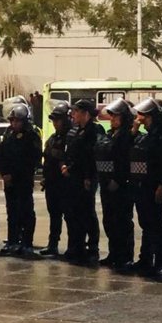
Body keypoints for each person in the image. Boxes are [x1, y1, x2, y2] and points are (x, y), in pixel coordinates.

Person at [128, 97, 162, 277]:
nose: (142, 120)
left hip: (154, 186)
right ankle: (146, 259)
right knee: (146, 223)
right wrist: (134, 130)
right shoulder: (147, 135)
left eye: (146, 117)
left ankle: (161, 261)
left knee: (157, 224)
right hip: (142, 186)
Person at [94, 98, 135, 269]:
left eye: (115, 117)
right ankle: (114, 253)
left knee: (122, 221)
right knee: (109, 221)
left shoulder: (128, 136)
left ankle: (125, 256)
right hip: (105, 183)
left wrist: (117, 179)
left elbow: (125, 161)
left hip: (120, 186)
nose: (112, 120)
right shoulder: (110, 135)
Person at [0, 103, 42, 257]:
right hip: (9, 181)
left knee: (26, 212)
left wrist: (14, 174)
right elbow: (2, 155)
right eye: (12, 121)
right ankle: (12, 241)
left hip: (23, 180)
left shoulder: (32, 136)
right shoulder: (9, 135)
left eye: (17, 121)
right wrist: (4, 173)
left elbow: (32, 160)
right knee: (12, 212)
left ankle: (27, 243)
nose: (14, 123)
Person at [63, 99, 100, 265]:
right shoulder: (76, 130)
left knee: (88, 214)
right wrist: (65, 166)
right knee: (74, 214)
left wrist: (88, 177)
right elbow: (71, 153)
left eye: (77, 111)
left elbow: (91, 157)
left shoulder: (94, 131)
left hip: (86, 178)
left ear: (86, 114)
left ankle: (92, 249)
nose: (73, 114)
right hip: (73, 178)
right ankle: (76, 247)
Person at [39, 101, 72, 257]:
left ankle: (74, 246)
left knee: (70, 216)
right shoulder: (52, 138)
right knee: (54, 215)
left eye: (58, 120)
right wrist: (45, 177)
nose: (55, 123)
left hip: (66, 183)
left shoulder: (71, 137)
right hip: (52, 182)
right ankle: (52, 245)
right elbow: (48, 160)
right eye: (54, 120)